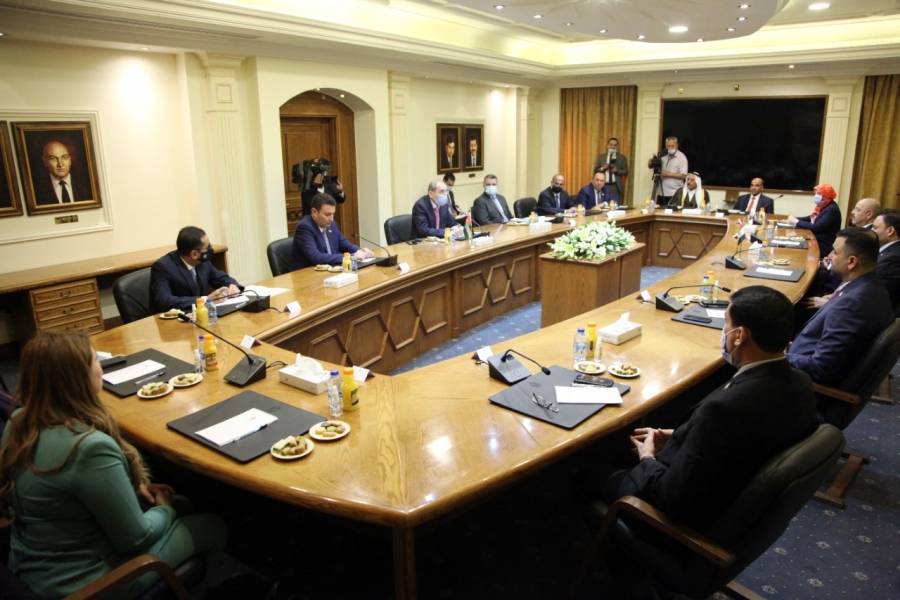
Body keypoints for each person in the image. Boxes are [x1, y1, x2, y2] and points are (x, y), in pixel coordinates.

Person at [0, 332, 227, 598]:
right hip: (88, 582)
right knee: (212, 525)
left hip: (33, 569)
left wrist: (130, 489)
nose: (101, 367)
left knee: (183, 504)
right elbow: (136, 539)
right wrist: (165, 508)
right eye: (95, 360)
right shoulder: (88, 448)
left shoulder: (19, 422)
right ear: (79, 379)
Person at [600, 286, 817, 529]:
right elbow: (744, 437)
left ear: (739, 335)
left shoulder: (722, 410)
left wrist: (647, 457)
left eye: (726, 323)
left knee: (591, 464)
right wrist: (682, 435)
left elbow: (669, 498)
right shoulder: (801, 383)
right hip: (730, 487)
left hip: (677, 520)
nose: (724, 331)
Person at [787, 227, 892, 386]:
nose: (829, 256)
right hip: (802, 352)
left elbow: (820, 367)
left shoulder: (852, 304)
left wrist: (779, 357)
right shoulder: (869, 285)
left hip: (802, 383)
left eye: (835, 252)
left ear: (851, 262)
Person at [150, 226, 242, 313]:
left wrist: (232, 285)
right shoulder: (163, 267)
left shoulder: (203, 262)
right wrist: (205, 300)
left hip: (202, 315)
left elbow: (221, 278)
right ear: (194, 254)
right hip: (178, 319)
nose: (211, 249)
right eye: (208, 247)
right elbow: (164, 301)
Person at [291, 193, 372, 270]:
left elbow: (345, 244)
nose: (331, 219)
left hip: (331, 270)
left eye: (333, 214)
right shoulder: (305, 227)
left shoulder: (331, 224)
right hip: (308, 274)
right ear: (314, 212)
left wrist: (361, 251)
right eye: (327, 214)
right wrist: (351, 257)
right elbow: (316, 257)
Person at [786, 183, 842, 258]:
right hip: (815, 240)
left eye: (818, 194)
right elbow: (811, 218)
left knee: (794, 252)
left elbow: (816, 227)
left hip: (822, 246)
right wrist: (795, 219)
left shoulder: (831, 210)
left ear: (825, 197)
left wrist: (796, 222)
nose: (815, 196)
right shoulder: (823, 206)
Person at [33, 139, 91, 205]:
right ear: (45, 162)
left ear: (70, 160)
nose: (60, 164)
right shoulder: (37, 190)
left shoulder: (86, 184)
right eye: (53, 158)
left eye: (64, 157)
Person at [872, 211, 900, 310]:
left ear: (890, 231)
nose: (871, 231)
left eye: (875, 228)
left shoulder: (893, 258)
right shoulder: (887, 251)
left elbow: (875, 291)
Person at [654, 136, 688, 207]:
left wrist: (668, 174)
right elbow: (656, 170)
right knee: (659, 212)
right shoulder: (663, 157)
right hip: (661, 193)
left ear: (677, 145)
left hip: (675, 193)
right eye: (668, 146)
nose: (670, 148)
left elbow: (684, 175)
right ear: (666, 146)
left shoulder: (682, 158)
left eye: (673, 146)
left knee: (673, 213)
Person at [594, 137, 629, 203]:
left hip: (615, 186)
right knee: (602, 205)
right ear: (607, 146)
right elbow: (595, 170)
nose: (613, 147)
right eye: (611, 144)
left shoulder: (622, 158)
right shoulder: (601, 157)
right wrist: (603, 168)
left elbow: (626, 171)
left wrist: (617, 171)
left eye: (615, 145)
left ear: (617, 146)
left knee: (616, 206)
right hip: (603, 185)